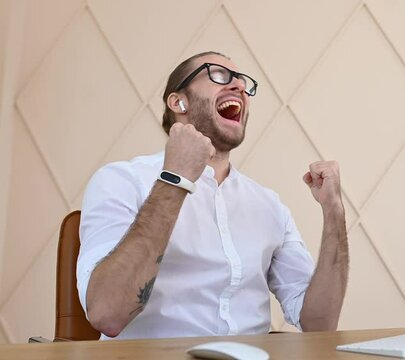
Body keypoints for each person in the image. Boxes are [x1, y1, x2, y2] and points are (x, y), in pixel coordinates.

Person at [76, 51, 349, 339]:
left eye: (243, 82)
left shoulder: (269, 205)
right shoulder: (121, 181)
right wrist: (175, 179)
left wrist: (334, 211)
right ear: (178, 101)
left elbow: (319, 324)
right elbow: (107, 313)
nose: (240, 87)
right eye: (220, 75)